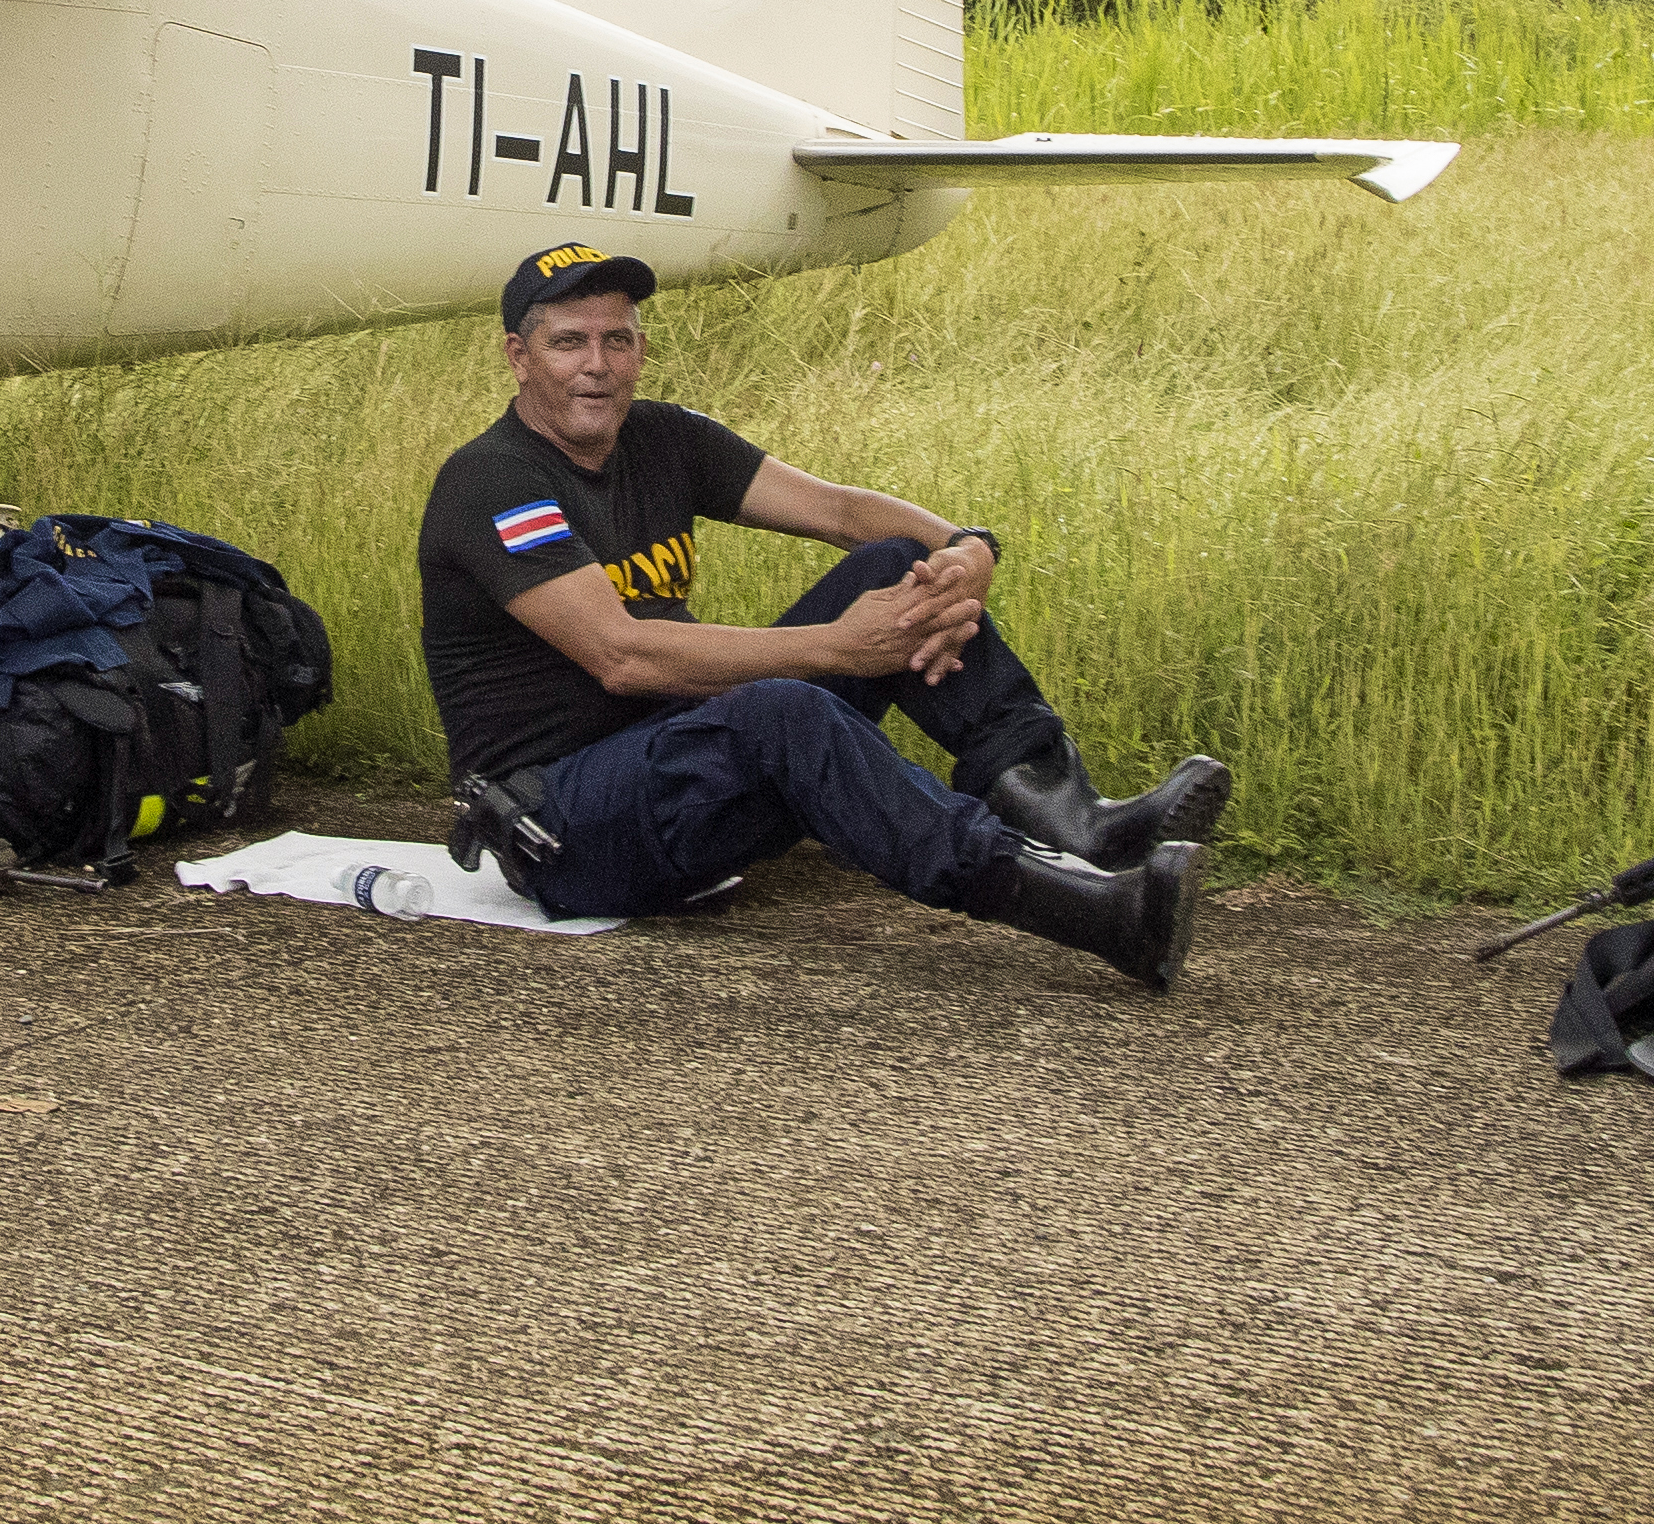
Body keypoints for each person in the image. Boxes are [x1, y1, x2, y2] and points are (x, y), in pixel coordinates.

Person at [415, 238, 1231, 990]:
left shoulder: (659, 437)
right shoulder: (494, 484)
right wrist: (841, 647)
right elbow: (622, 656)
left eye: (617, 340)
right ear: (518, 358)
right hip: (570, 825)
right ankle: (1099, 914)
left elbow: (840, 511)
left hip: (686, 772)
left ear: (640, 349)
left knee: (892, 566)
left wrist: (964, 549)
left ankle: (1074, 817)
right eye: (569, 343)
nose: (598, 366)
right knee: (786, 710)